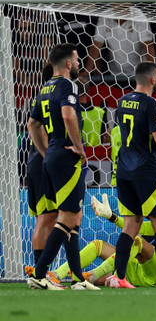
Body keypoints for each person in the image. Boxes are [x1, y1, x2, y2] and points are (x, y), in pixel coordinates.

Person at [26, 43, 98, 291]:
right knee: (66, 217)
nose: (79, 64)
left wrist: (48, 152)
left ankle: (77, 278)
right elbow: (68, 116)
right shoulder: (68, 85)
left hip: (54, 153)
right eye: (77, 60)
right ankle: (40, 273)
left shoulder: (45, 88)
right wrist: (78, 147)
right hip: (66, 154)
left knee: (74, 217)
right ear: (68, 64)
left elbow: (32, 125)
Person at [110, 61, 156, 289]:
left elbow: (137, 129)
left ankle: (118, 278)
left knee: (130, 225)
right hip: (147, 171)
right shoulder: (152, 102)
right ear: (153, 79)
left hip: (124, 170)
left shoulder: (122, 101)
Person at [25, 63, 58, 284]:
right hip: (43, 162)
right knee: (47, 218)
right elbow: (40, 128)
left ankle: (42, 272)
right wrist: (49, 156)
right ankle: (41, 273)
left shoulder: (40, 98)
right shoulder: (52, 99)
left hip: (36, 161)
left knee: (48, 218)